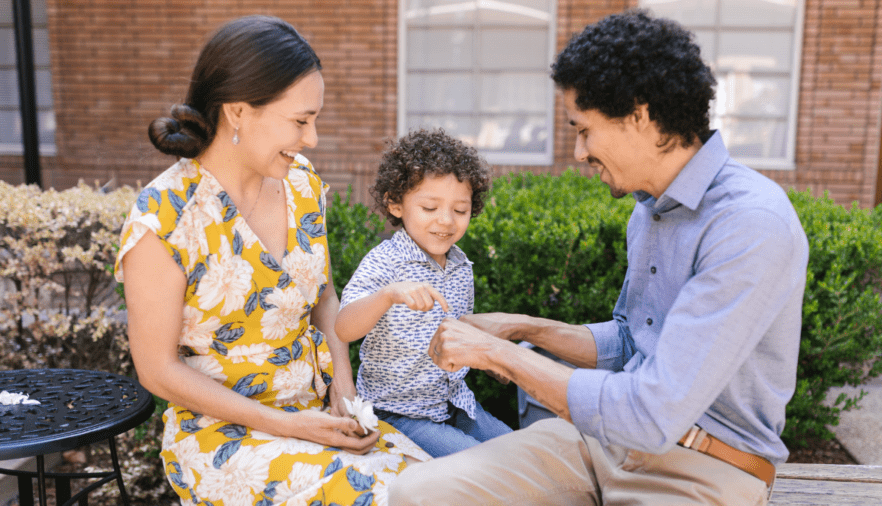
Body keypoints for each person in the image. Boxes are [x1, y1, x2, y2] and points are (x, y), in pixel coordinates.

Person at [390, 9, 809, 506]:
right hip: (598, 443)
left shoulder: (749, 224)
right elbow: (634, 340)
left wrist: (497, 355)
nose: (577, 150)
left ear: (640, 116)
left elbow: (653, 412)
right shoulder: (649, 209)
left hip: (702, 466)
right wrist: (522, 327)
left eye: (584, 129)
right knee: (419, 493)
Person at [116, 15, 429, 506]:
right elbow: (156, 369)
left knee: (434, 484)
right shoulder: (165, 216)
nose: (312, 139)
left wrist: (343, 391)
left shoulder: (301, 184)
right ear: (238, 111)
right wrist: (289, 425)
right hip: (222, 439)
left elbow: (323, 295)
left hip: (315, 415)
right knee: (384, 495)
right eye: (301, 121)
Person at [333, 128, 512, 457]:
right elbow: (344, 327)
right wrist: (387, 295)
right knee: (484, 468)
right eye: (430, 208)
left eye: (460, 211)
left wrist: (489, 361)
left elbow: (460, 336)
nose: (446, 221)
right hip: (400, 414)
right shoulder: (386, 262)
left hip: (456, 404)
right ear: (396, 204)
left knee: (527, 453)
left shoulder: (460, 266)